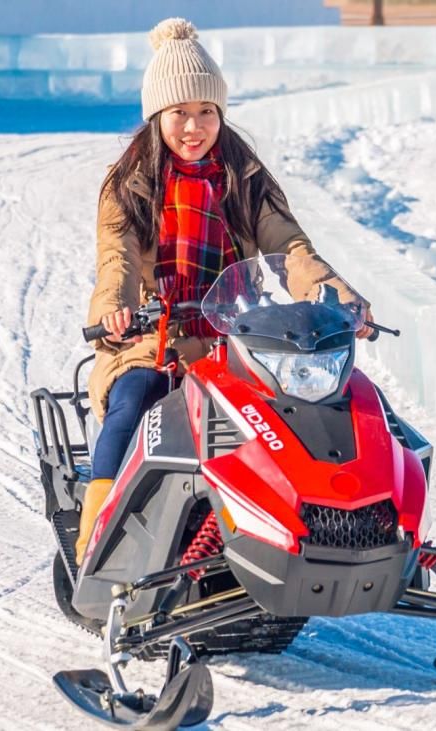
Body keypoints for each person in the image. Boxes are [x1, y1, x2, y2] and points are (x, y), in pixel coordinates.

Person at [76, 18, 373, 557]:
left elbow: (291, 248)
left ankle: (313, 530)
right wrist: (116, 311)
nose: (194, 127)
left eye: (206, 112)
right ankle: (96, 537)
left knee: (304, 409)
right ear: (156, 117)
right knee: (133, 404)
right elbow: (116, 257)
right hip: (152, 340)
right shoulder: (130, 185)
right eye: (179, 113)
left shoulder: (244, 176)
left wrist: (338, 296)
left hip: (234, 339)